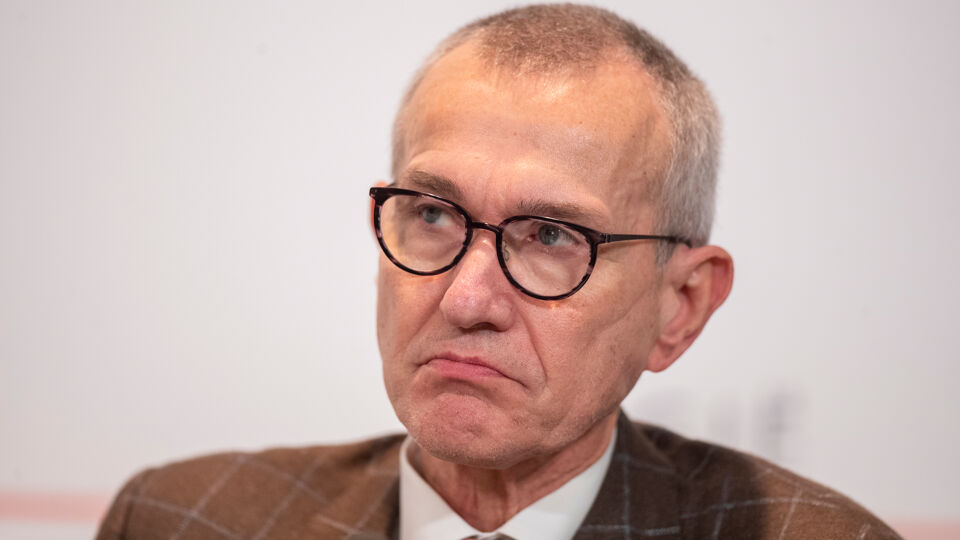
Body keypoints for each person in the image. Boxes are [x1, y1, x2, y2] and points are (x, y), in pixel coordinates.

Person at [97, 4, 901, 539]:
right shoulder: (181, 521)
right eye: (433, 215)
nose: (467, 298)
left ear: (680, 305)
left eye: (551, 235)